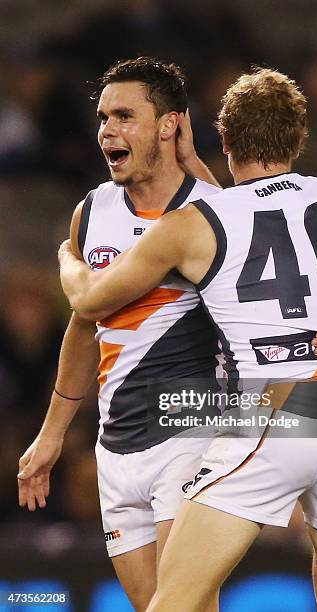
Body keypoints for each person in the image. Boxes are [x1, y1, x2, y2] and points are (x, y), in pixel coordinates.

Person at [58, 67, 317, 612]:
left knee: (174, 602)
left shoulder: (194, 223)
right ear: (298, 138)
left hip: (273, 419)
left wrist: (68, 260)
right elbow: (280, 239)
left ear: (223, 138)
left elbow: (90, 302)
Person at [17, 57, 223, 612]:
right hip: (116, 448)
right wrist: (53, 434)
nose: (108, 128)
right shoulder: (93, 210)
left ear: (169, 125)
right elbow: (85, 325)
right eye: (104, 116)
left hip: (189, 434)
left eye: (125, 115)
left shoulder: (212, 215)